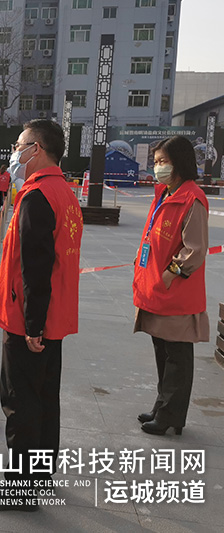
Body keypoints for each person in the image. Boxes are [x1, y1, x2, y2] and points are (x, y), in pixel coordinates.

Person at [0, 119, 83, 512]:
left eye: (19, 144)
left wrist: (32, 325)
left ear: (36, 149)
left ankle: (20, 489)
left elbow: (36, 268)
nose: (15, 151)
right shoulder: (64, 192)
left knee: (20, 402)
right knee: (44, 398)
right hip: (52, 316)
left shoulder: (38, 196)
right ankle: (39, 476)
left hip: (30, 320)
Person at [132, 136, 209, 437]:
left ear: (179, 162)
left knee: (177, 356)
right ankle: (162, 406)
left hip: (176, 292)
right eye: (156, 161)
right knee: (162, 350)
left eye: (163, 161)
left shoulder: (192, 199)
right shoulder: (164, 194)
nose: (158, 167)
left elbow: (195, 250)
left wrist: (169, 274)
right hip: (156, 289)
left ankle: (171, 416)